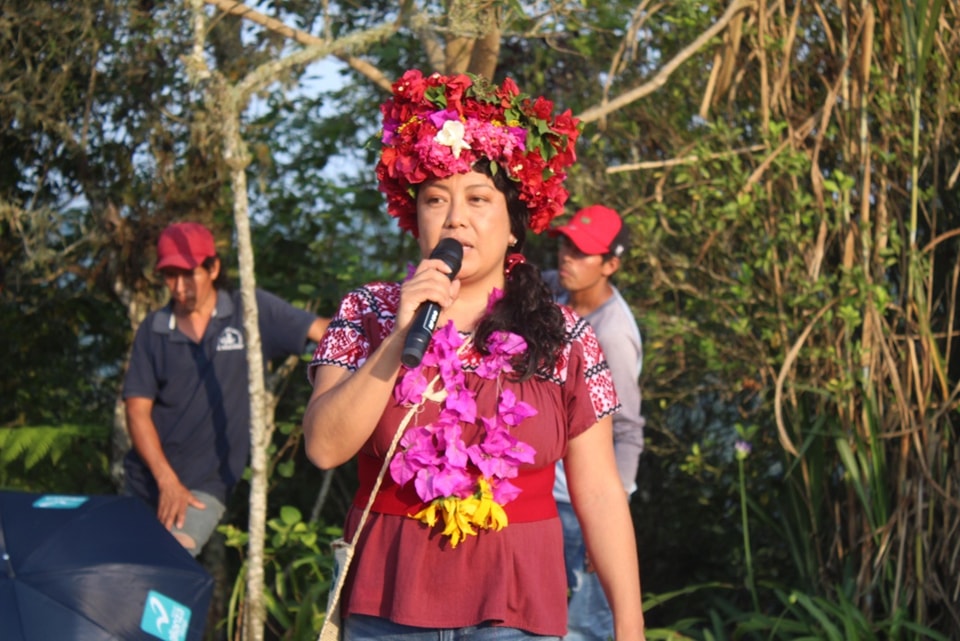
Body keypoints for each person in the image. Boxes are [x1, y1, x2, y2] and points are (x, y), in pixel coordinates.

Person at [303, 69, 646, 641]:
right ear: (415, 219)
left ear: (515, 224)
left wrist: (629, 628)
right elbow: (323, 447)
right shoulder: (368, 312)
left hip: (515, 607)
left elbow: (599, 491)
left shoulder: (565, 337)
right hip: (387, 602)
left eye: (478, 199)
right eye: (435, 199)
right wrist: (398, 338)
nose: (455, 217)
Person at [123, 221, 329, 557]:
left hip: (207, 484)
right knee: (127, 577)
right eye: (169, 275)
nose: (178, 287)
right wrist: (166, 482)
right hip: (148, 481)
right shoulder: (155, 329)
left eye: (188, 273)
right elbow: (136, 410)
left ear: (213, 267)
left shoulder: (249, 311)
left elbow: (323, 332)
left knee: (170, 564)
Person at [543, 205, 645, 641]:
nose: (567, 257)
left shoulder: (612, 333)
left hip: (577, 504)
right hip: (546, 493)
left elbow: (626, 429)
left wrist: (601, 522)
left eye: (582, 252)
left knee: (584, 628)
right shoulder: (554, 293)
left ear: (610, 265)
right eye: (566, 244)